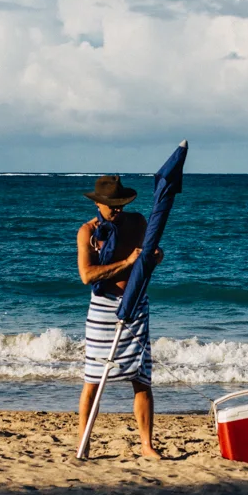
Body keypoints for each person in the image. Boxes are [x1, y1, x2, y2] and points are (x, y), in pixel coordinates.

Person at [76, 175, 163, 459]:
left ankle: (146, 445)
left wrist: (155, 257)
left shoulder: (137, 222)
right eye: (111, 205)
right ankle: (84, 443)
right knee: (93, 378)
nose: (116, 209)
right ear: (98, 203)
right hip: (102, 308)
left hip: (136, 303)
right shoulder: (87, 232)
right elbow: (87, 275)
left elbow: (149, 255)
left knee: (142, 377)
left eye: (120, 204)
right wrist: (126, 262)